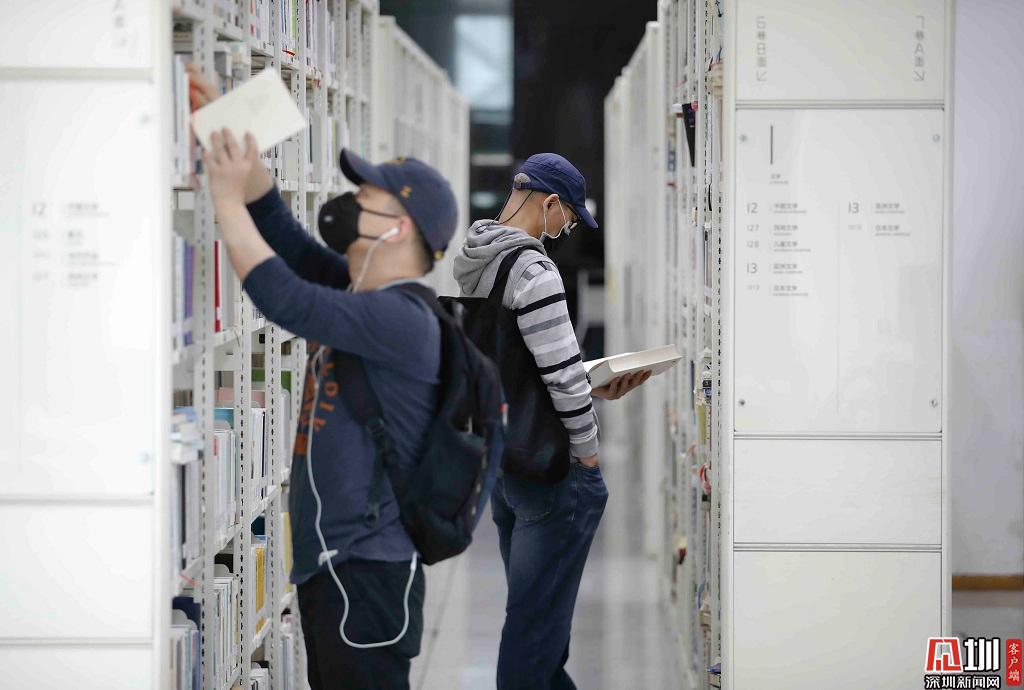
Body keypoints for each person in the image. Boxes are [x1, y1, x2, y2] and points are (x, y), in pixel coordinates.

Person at [190, 66, 459, 690]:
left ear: (397, 228)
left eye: (366, 197)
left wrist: (224, 199)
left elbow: (284, 297)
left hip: (365, 576)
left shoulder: (400, 318)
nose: (349, 204)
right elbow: (288, 244)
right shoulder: (362, 288)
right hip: (336, 568)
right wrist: (235, 143)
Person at [453, 153, 650, 689]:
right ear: (550, 203)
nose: (564, 230)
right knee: (534, 630)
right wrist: (588, 454)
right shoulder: (535, 272)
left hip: (505, 460)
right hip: (548, 468)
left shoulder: (475, 258)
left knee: (537, 618)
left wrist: (590, 381)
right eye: (567, 219)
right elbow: (561, 379)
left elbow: (514, 363)